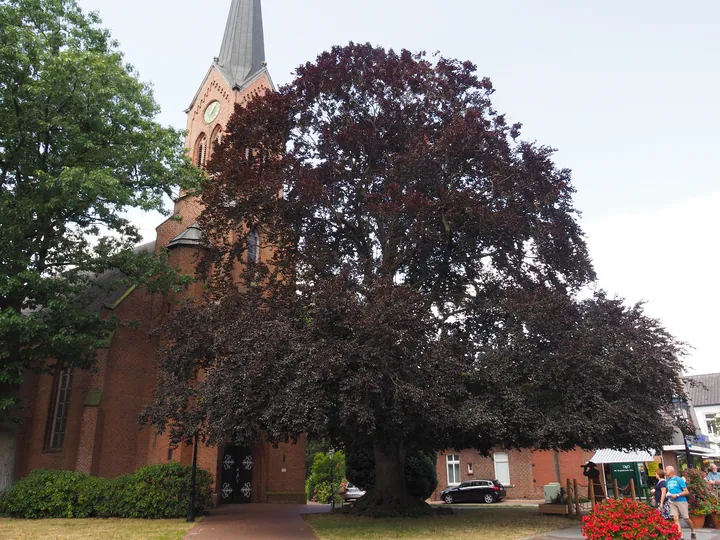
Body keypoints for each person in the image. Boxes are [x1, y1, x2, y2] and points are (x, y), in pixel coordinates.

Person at [666, 465, 696, 539]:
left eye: (666, 470)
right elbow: (669, 490)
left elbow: (686, 492)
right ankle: (680, 536)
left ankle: (693, 531)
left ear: (671, 471)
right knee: (675, 518)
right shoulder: (668, 481)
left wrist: (677, 495)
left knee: (686, 518)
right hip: (672, 502)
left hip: (681, 501)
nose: (665, 471)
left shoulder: (679, 480)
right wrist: (668, 495)